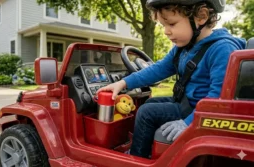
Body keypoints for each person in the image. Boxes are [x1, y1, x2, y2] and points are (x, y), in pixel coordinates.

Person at [96, 0, 246, 159]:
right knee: (150, 104)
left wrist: (189, 123)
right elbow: (158, 69)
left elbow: (219, 99)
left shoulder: (222, 49)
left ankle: (137, 157)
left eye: (172, 24)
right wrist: (123, 83)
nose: (166, 32)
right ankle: (147, 148)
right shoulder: (183, 48)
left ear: (201, 16)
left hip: (202, 112)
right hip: (186, 103)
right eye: (163, 26)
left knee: (147, 112)